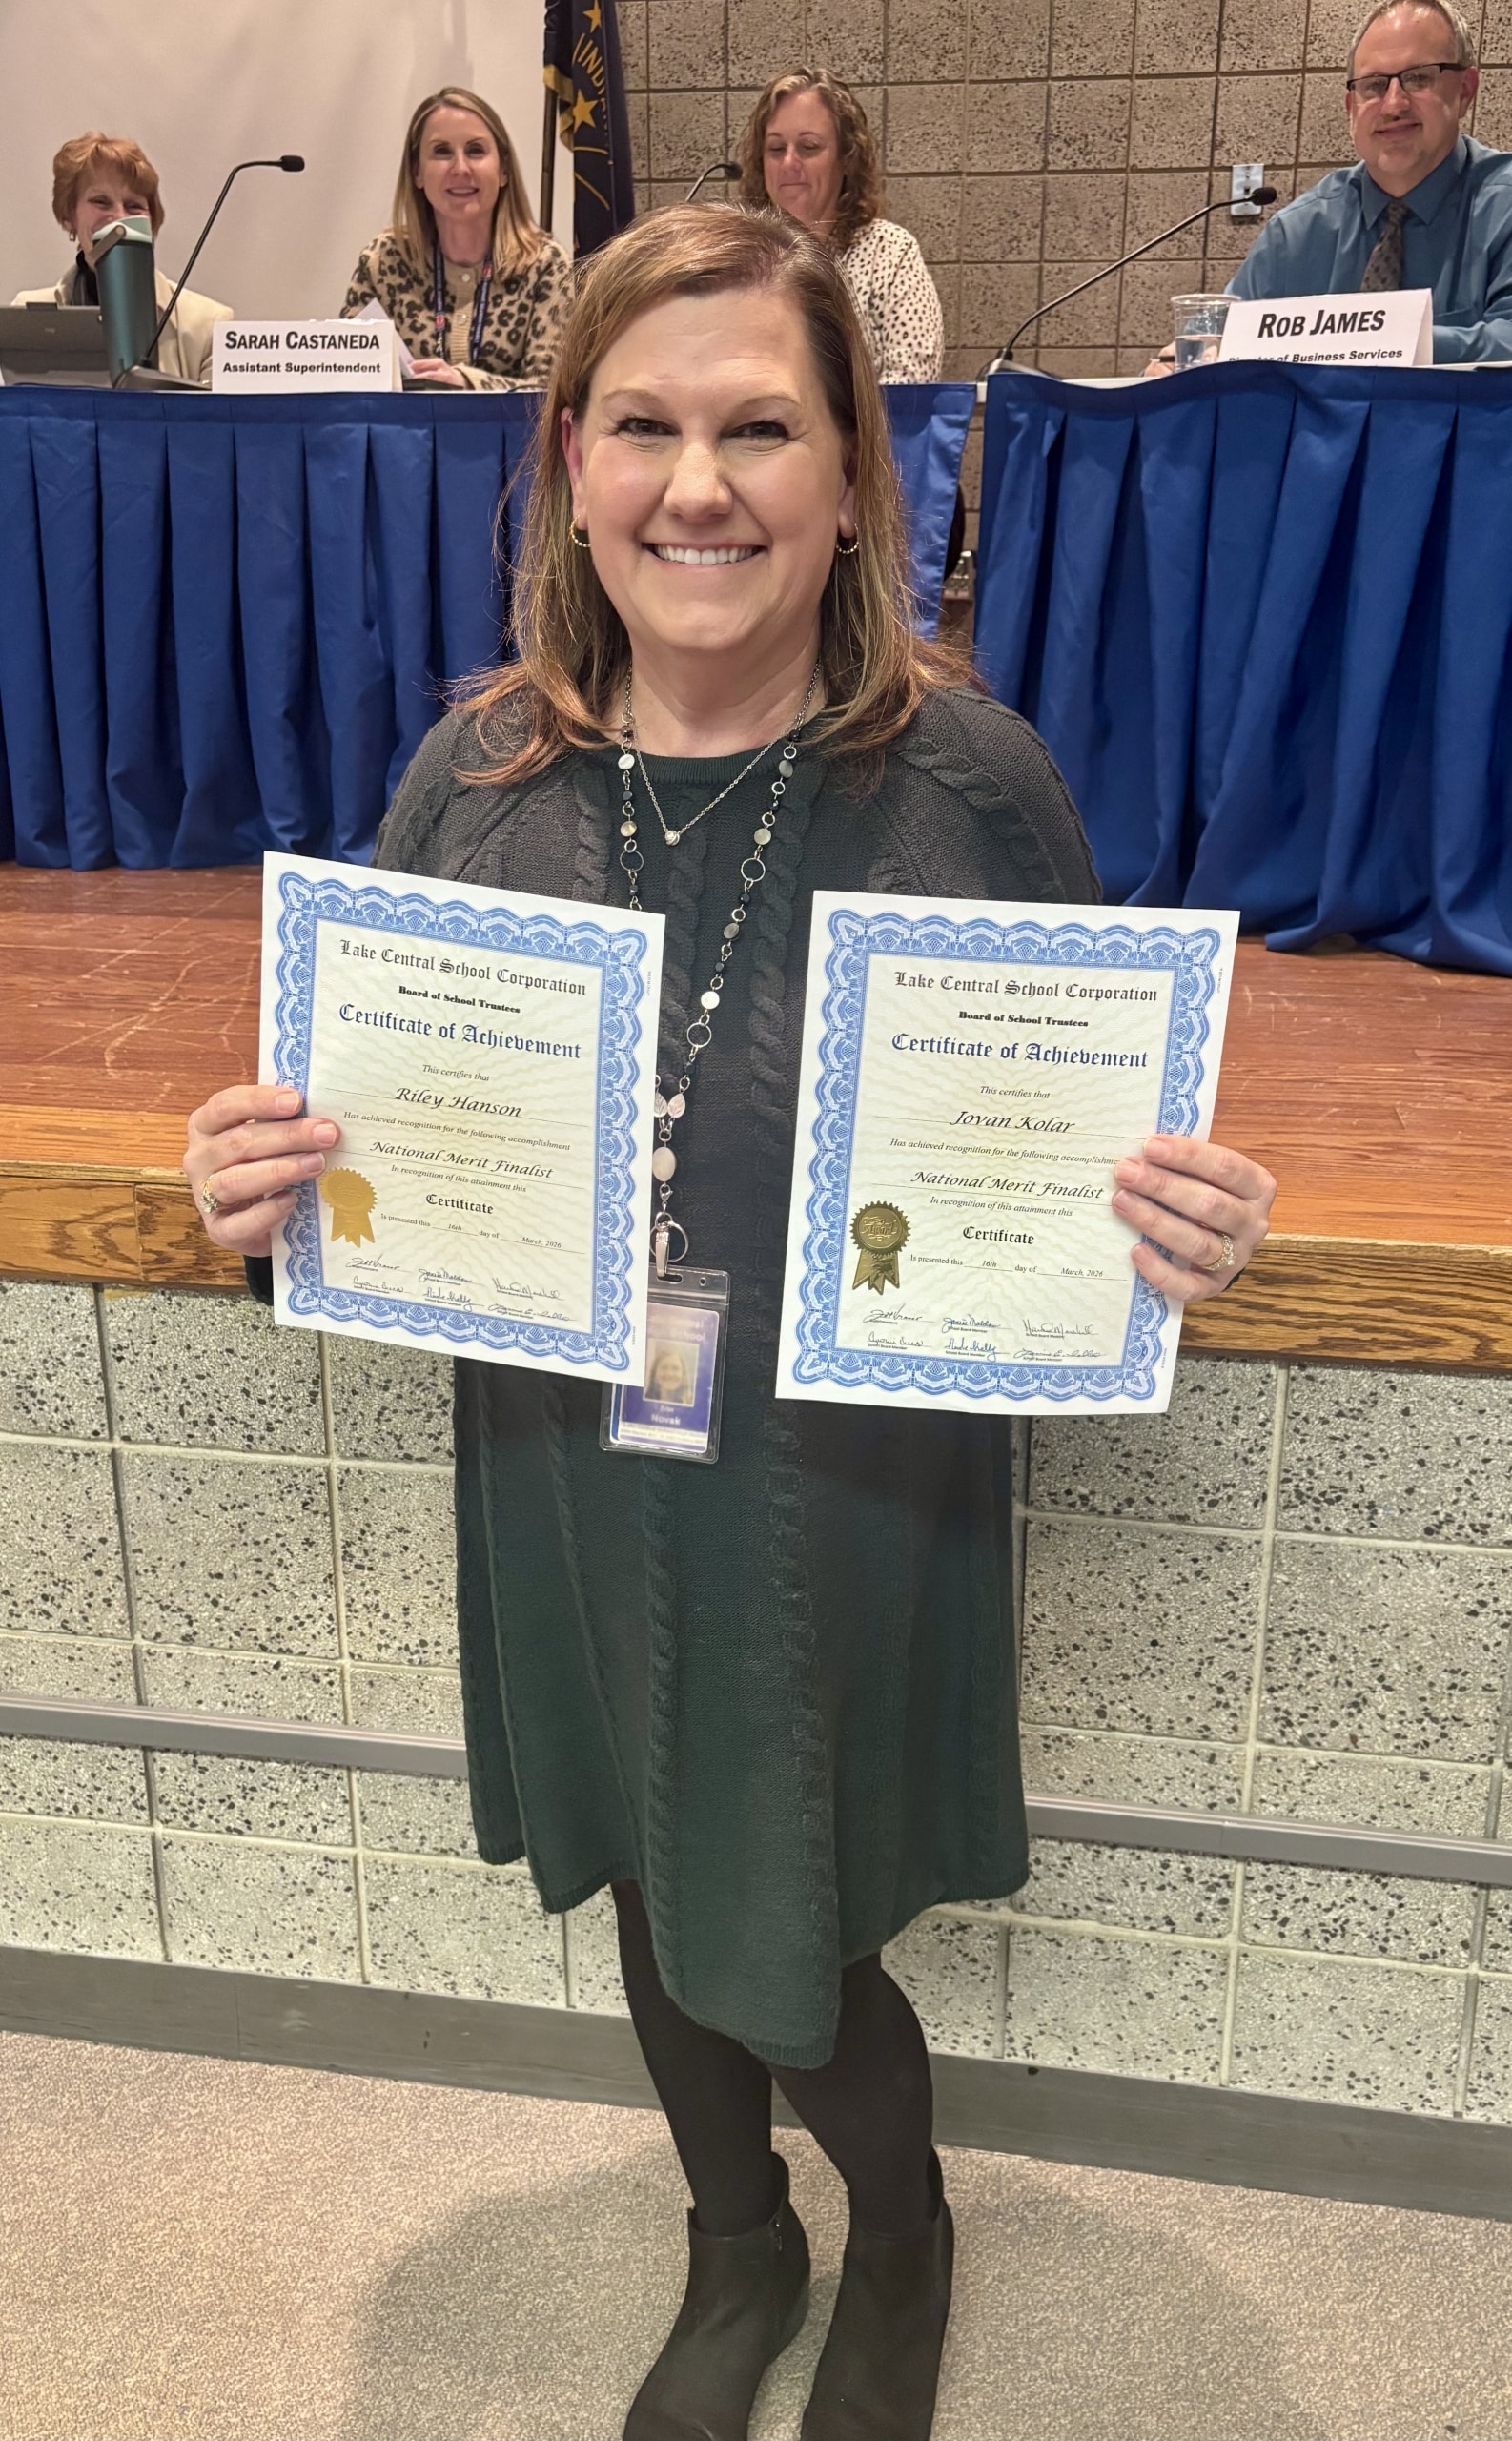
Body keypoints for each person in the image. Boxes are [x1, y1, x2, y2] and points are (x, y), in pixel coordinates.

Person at [182, 206, 1275, 2441]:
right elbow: (355, 1149)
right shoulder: (470, 782)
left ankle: (898, 2218)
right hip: (569, 1457)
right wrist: (248, 1192)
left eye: (760, 426)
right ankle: (728, 2230)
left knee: (792, 1890)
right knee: (651, 1858)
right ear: (569, 459)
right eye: (647, 425)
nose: (702, 483)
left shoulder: (973, 791)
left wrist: (1177, 1218)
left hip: (849, 1475)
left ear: (854, 470)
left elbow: (1079, 1139)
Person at [1229, 0, 1512, 360]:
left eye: (1418, 78)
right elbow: (1225, 341)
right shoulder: (1295, 234)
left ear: (1465, 91)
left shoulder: (1504, 210)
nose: (1394, 105)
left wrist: (1376, 342)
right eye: (1374, 85)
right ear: (1351, 108)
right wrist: (1191, 357)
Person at [342, 85, 572, 390]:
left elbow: (551, 394)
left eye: (476, 151)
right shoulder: (383, 261)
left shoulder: (545, 264)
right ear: (417, 173)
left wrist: (465, 383)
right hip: (408, 438)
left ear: (504, 170)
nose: (460, 168)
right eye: (442, 152)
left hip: (514, 439)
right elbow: (350, 377)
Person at [736, 69, 944, 383]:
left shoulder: (890, 253)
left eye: (809, 147)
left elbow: (912, 386)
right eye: (776, 149)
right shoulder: (737, 257)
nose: (789, 163)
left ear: (846, 159)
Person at [12, 133, 232, 382]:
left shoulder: (209, 326)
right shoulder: (26, 316)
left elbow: (211, 421)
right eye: (101, 202)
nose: (119, 218)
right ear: (68, 217)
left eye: (134, 206)